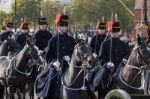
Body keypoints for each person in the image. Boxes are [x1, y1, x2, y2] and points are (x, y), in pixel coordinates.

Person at [98, 21, 130, 99]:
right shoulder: (105, 44)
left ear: (119, 32)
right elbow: (101, 58)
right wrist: (107, 64)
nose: (115, 33)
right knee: (102, 76)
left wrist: (125, 60)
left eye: (116, 32)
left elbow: (128, 54)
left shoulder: (123, 44)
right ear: (110, 32)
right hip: (110, 68)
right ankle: (103, 96)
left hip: (122, 68)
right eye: (113, 32)